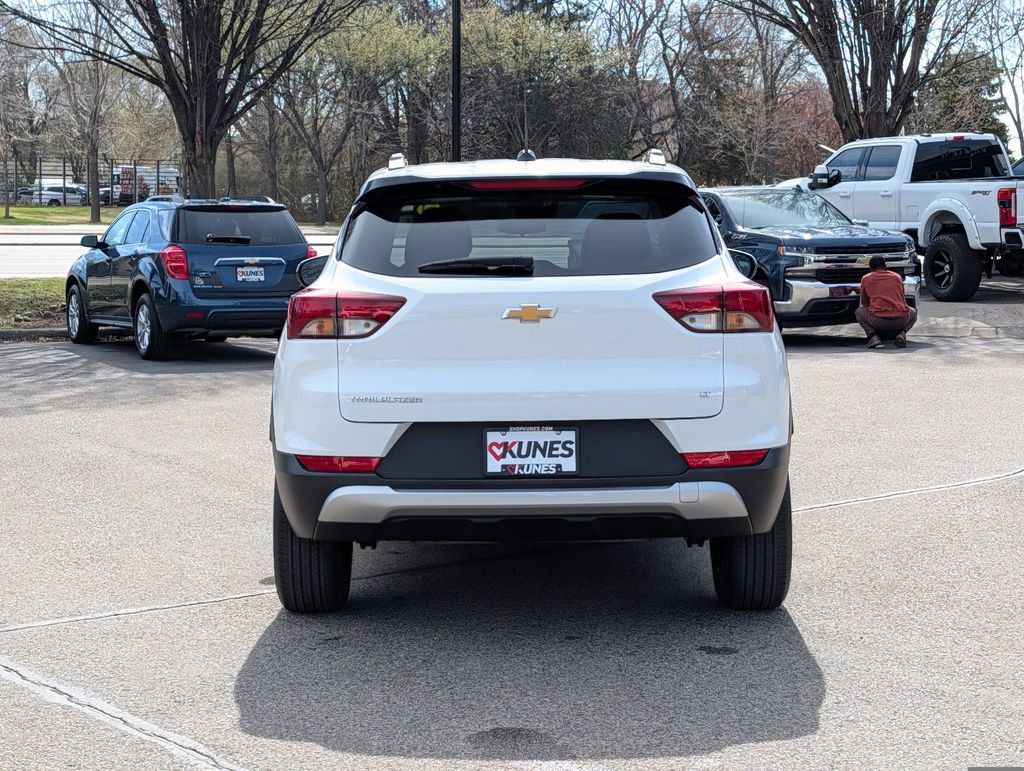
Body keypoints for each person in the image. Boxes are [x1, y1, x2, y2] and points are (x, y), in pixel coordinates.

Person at [855, 255, 917, 348]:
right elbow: (901, 297)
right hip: (901, 320)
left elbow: (864, 303)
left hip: (878, 321)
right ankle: (902, 333)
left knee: (858, 312)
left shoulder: (866, 278)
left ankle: (873, 337)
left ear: (871, 268)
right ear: (885, 265)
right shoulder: (897, 277)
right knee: (914, 312)